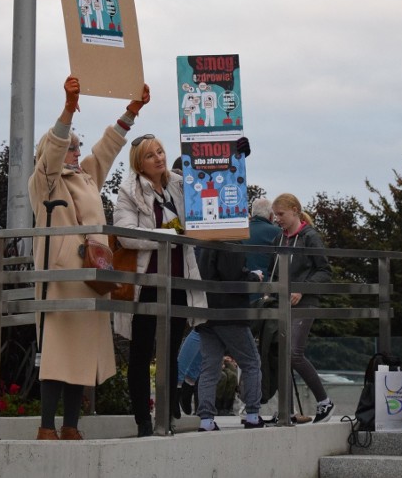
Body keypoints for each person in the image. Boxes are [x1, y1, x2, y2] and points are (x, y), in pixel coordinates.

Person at [29, 75, 149, 440]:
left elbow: (107, 149)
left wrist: (131, 110)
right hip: (61, 281)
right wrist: (67, 109)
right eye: (71, 147)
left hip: (92, 276)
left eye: (77, 147)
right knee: (56, 355)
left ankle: (71, 426)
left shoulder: (86, 177)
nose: (76, 152)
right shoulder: (44, 180)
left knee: (80, 357)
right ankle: (46, 426)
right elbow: (52, 151)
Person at [112, 134, 210, 437]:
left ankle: (166, 414)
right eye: (151, 155)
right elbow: (126, 234)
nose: (159, 158)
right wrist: (168, 233)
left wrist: (237, 154)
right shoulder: (128, 191)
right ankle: (142, 418)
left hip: (179, 278)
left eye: (161, 151)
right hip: (147, 281)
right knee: (141, 352)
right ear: (139, 163)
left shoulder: (179, 183)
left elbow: (215, 180)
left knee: (170, 351)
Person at [268, 193, 336, 424]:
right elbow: (273, 270)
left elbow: (325, 270)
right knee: (282, 354)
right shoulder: (279, 239)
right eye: (275, 215)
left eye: (281, 214)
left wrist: (303, 290)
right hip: (281, 302)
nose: (277, 219)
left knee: (293, 353)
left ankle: (324, 402)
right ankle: (286, 408)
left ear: (295, 211)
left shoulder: (310, 237)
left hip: (305, 302)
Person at [195, 243, 265, 431]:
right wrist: (254, 276)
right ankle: (252, 415)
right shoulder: (231, 242)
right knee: (251, 362)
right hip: (230, 313)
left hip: (205, 311)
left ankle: (206, 420)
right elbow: (233, 277)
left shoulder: (203, 241)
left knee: (209, 367)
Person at [244, 198, 280, 282]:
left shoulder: (240, 232)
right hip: (266, 287)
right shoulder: (278, 233)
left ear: (253, 213)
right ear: (271, 216)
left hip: (241, 286)